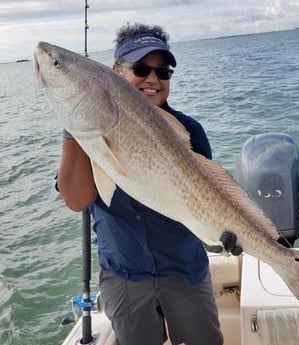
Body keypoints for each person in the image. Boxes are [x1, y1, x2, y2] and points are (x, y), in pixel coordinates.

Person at [57, 23, 240, 345]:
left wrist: (222, 234)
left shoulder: (188, 131)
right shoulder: (89, 130)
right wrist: (74, 129)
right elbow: (77, 200)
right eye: (140, 68)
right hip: (124, 272)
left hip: (184, 269)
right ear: (115, 71)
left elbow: (208, 193)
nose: (153, 79)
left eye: (163, 72)